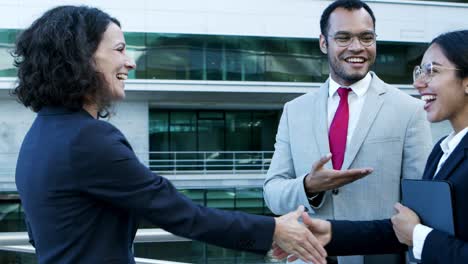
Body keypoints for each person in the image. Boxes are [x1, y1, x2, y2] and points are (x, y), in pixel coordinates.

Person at [13, 5, 327, 264]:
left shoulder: (39, 136)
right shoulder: (88, 139)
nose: (131, 62)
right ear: (82, 57)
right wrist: (273, 230)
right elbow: (179, 212)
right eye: (120, 49)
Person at [263, 0, 432, 263]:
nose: (357, 47)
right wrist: (309, 186)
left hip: (378, 256)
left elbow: (421, 204)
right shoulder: (294, 111)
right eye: (343, 37)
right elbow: (272, 193)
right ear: (323, 43)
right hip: (310, 257)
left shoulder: (409, 110)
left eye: (367, 37)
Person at [284, 29, 468, 264]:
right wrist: (331, 234)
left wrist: (418, 236)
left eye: (432, 71)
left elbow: (416, 232)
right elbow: (407, 228)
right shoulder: (443, 149)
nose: (418, 83)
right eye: (420, 71)